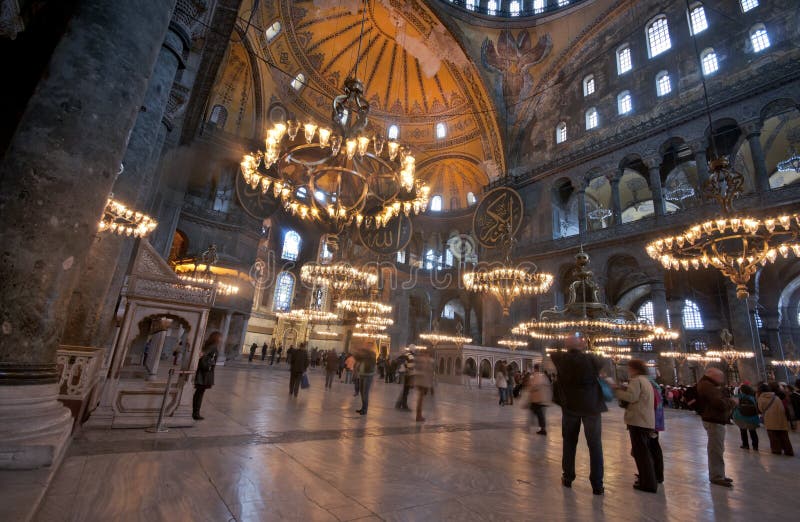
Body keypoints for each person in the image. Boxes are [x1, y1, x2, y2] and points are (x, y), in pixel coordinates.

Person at [550, 334, 607, 495]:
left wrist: (567, 344)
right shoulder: (592, 359)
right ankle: (597, 484)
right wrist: (584, 346)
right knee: (595, 445)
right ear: (581, 346)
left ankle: (568, 477)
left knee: (569, 443)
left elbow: (554, 350)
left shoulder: (560, 359)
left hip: (570, 407)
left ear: (567, 347)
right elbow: (601, 361)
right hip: (592, 408)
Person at [613, 359, 657, 493]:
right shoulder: (645, 380)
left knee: (641, 454)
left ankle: (647, 483)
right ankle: (648, 480)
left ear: (634, 369)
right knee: (643, 453)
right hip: (645, 420)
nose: (628, 370)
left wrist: (616, 391)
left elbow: (631, 397)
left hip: (638, 421)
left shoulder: (636, 380)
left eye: (629, 368)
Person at [696, 367, 737, 487]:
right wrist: (732, 402)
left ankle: (719, 474)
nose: (721, 379)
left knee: (718, 448)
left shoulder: (709, 385)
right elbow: (718, 403)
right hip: (713, 419)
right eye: (720, 376)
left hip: (715, 419)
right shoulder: (707, 385)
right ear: (711, 375)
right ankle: (716, 476)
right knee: (715, 449)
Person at [757, 382, 794, 456]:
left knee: (773, 435)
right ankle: (788, 450)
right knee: (784, 435)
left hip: (769, 418)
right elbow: (782, 407)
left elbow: (760, 409)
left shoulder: (761, 398)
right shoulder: (775, 396)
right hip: (780, 418)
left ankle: (776, 450)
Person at [193, 332, 220, 420]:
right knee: (200, 393)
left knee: (199, 392)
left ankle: (196, 412)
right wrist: (209, 364)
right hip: (205, 372)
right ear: (216, 338)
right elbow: (202, 354)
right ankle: (196, 413)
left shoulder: (208, 344)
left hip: (203, 371)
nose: (221, 339)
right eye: (220, 337)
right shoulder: (213, 346)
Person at [733, 383, 760, 451]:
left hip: (741, 416)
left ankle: (745, 445)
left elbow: (735, 406)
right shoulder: (752, 397)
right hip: (752, 417)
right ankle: (755, 446)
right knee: (753, 432)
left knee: (743, 431)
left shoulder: (739, 397)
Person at [528, 363, 552, 435]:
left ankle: (541, 428)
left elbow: (534, 386)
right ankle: (542, 428)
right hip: (542, 398)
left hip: (537, 399)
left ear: (535, 369)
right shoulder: (543, 376)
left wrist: (530, 390)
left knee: (538, 413)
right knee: (539, 414)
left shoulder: (535, 376)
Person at [355, 347, 377, 415]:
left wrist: (365, 352)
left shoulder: (371, 358)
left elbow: (371, 360)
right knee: (362, 392)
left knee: (365, 393)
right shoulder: (363, 358)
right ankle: (363, 408)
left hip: (368, 376)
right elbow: (357, 357)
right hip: (361, 375)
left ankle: (365, 409)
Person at [414, 350, 434, 422]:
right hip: (422, 382)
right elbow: (427, 371)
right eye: (428, 354)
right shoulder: (425, 360)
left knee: (420, 399)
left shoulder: (419, 359)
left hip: (419, 381)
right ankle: (418, 416)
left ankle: (419, 415)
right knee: (420, 400)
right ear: (426, 354)